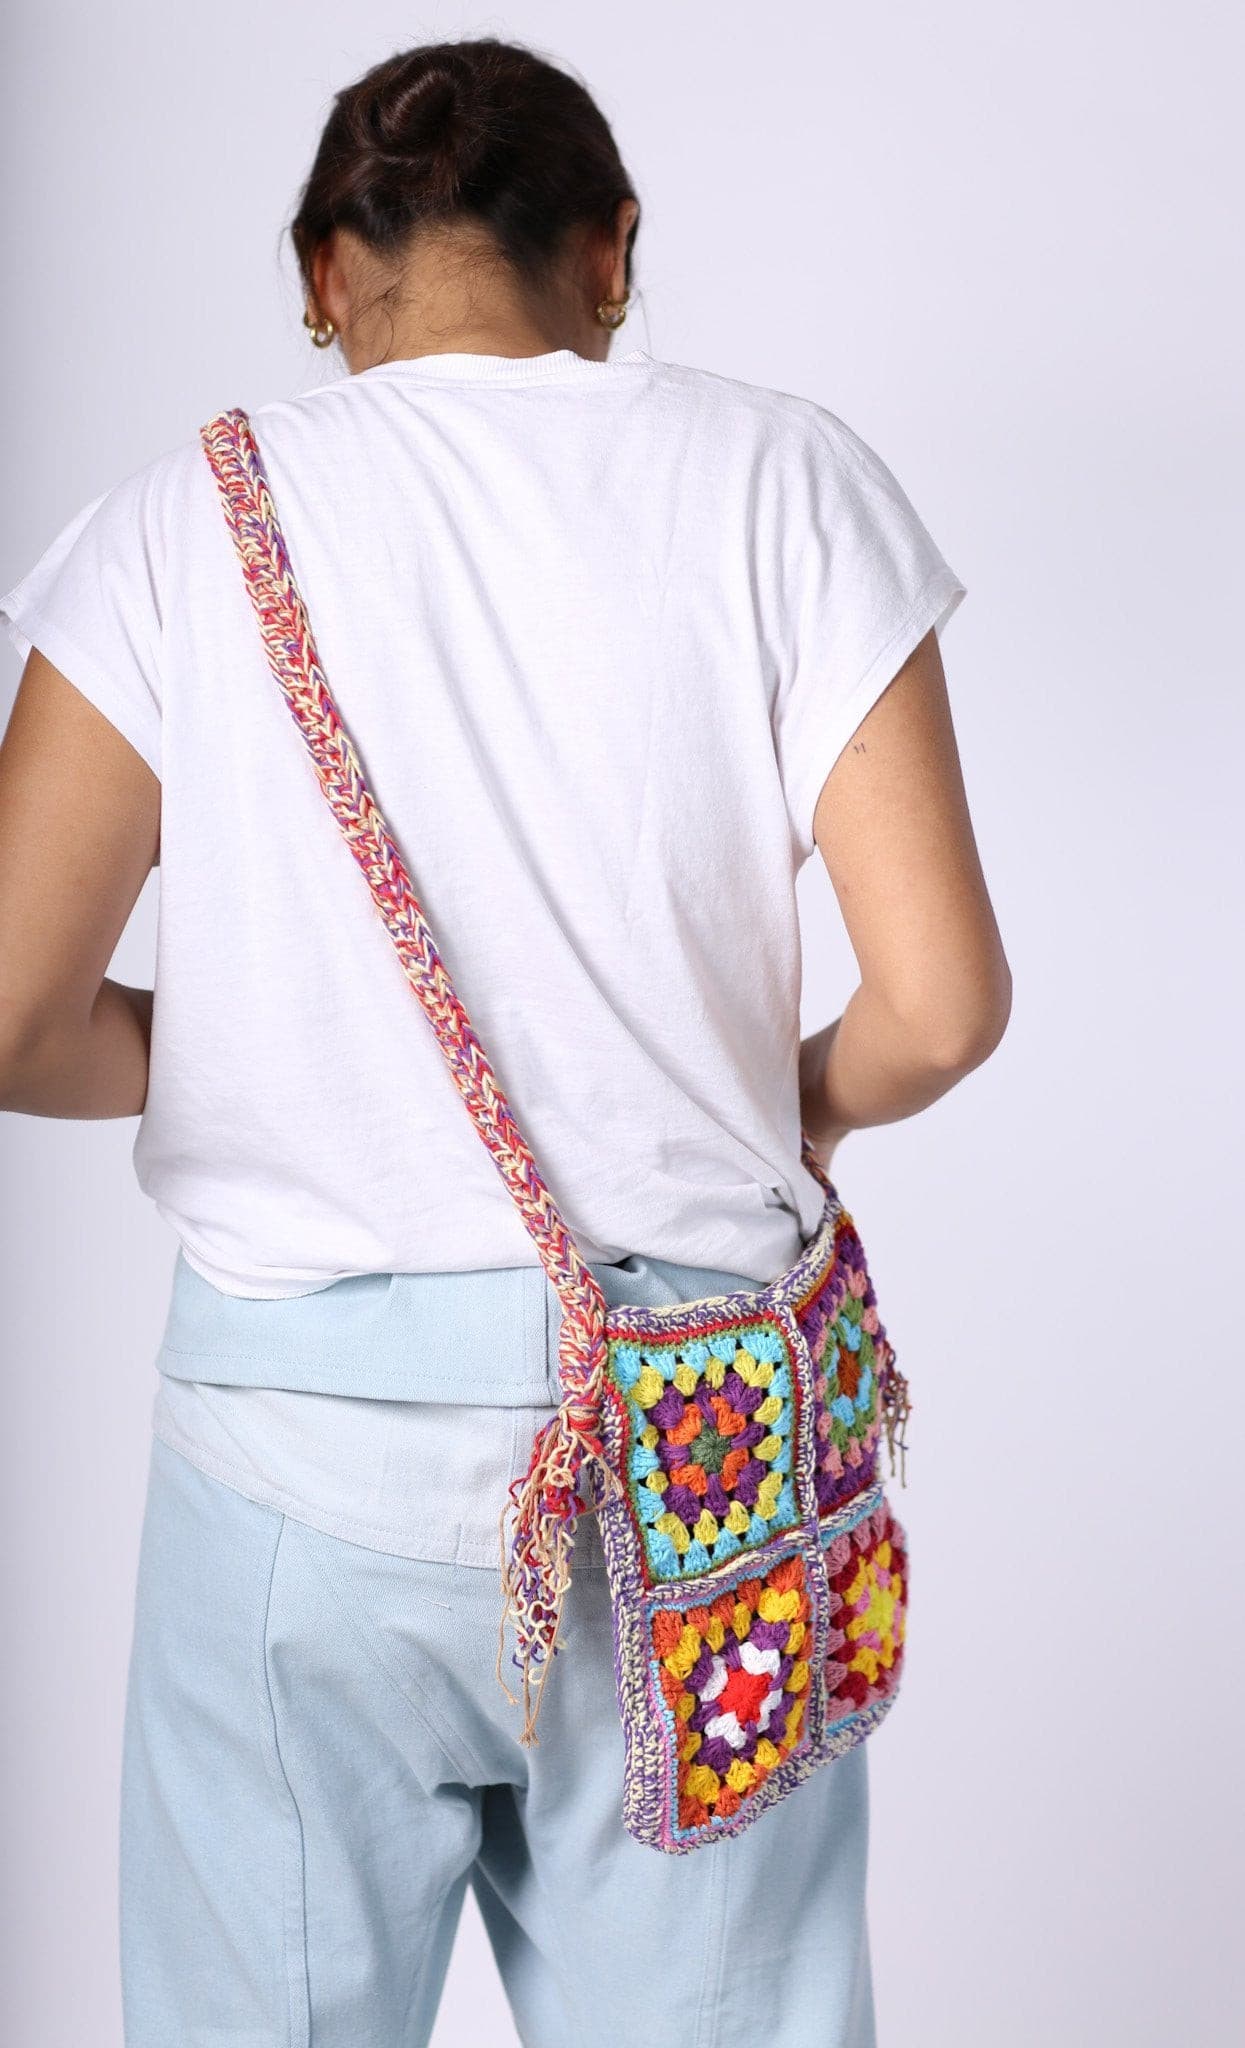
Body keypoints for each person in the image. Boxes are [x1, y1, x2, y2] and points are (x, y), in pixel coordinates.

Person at [0, 33, 1011, 2048]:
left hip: (288, 1458)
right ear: (611, 251)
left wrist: (271, 1052)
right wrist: (791, 1107)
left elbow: (15, 1012)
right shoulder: (779, 480)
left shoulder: (178, 525)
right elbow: (939, 1007)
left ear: (323, 273)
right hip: (689, 1455)